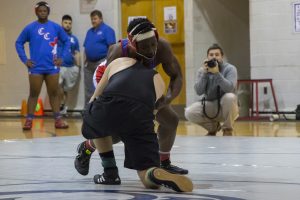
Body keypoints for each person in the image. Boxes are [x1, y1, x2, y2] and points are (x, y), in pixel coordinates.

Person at [74, 18, 188, 184]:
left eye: (153, 44)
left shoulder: (162, 46)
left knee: (171, 120)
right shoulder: (118, 51)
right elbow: (108, 89)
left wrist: (165, 101)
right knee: (117, 132)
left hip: (141, 86)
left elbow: (177, 76)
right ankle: (89, 147)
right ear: (133, 45)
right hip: (109, 82)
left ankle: (164, 163)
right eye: (145, 46)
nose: (151, 51)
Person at [82, 55, 193, 192]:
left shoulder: (152, 55)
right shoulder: (152, 67)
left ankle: (110, 171)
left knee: (99, 119)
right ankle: (151, 172)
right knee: (114, 129)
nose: (151, 50)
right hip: (125, 96)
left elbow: (94, 102)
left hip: (127, 98)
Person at [15, 1, 70, 130]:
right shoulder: (30, 28)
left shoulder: (56, 27)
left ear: (48, 12)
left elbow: (66, 41)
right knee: (33, 94)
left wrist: (62, 57)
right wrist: (25, 60)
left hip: (52, 67)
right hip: (36, 68)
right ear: (36, 12)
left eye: (45, 11)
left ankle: (58, 120)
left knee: (54, 94)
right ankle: (29, 120)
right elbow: (18, 43)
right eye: (40, 11)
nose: (42, 13)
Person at [185, 44, 239, 136]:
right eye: (211, 54)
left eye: (217, 55)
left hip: (227, 107)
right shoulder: (202, 71)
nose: (214, 57)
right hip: (210, 105)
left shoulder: (230, 69)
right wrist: (205, 74)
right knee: (189, 112)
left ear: (222, 56)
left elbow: (229, 88)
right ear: (207, 57)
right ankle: (213, 128)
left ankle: (227, 129)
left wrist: (217, 73)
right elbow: (199, 91)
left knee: (229, 97)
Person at [83, 10, 116, 104]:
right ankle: (88, 110)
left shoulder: (108, 30)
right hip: (89, 64)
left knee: (102, 87)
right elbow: (86, 47)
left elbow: (112, 47)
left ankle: (102, 110)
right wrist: (84, 61)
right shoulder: (89, 31)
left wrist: (109, 62)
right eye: (92, 19)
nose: (93, 21)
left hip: (101, 62)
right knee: (88, 89)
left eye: (95, 18)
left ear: (101, 19)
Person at [57, 14, 81, 115]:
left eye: (69, 23)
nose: (67, 25)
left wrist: (78, 66)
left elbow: (77, 52)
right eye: (65, 23)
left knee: (66, 88)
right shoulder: (56, 37)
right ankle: (59, 105)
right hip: (58, 67)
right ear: (62, 23)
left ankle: (63, 108)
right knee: (58, 86)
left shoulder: (74, 39)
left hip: (70, 66)